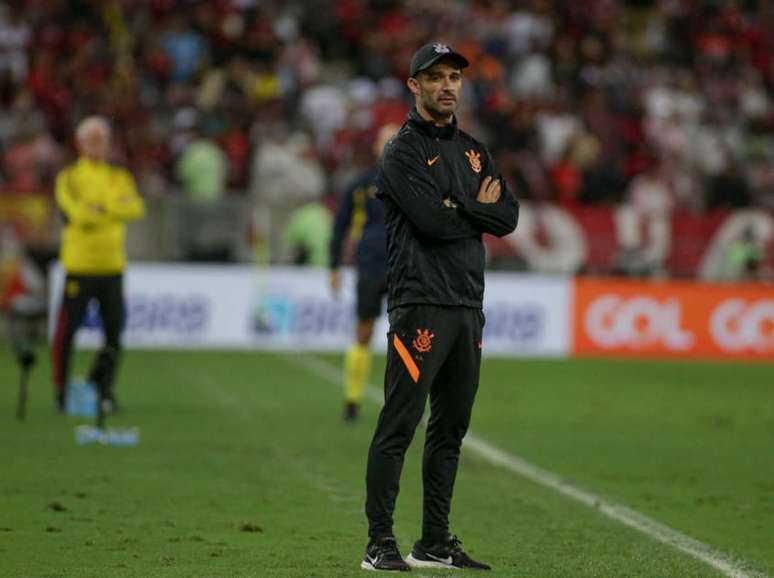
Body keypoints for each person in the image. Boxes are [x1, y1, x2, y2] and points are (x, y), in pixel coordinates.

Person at [361, 43, 519, 572]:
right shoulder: (402, 150)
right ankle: (378, 542)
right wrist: (479, 209)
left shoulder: (475, 150)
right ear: (415, 86)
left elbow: (510, 216)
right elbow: (431, 222)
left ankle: (432, 542)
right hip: (420, 303)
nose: (447, 85)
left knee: (451, 429)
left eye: (453, 76)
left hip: (467, 304)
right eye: (436, 78)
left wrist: (462, 207)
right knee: (399, 425)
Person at [51, 116, 145, 415]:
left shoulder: (119, 176)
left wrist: (99, 209)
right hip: (79, 266)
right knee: (67, 333)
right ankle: (62, 392)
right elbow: (77, 214)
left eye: (101, 139)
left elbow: (136, 208)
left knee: (115, 332)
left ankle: (103, 389)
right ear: (80, 143)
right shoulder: (69, 178)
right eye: (91, 139)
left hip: (112, 267)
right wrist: (111, 210)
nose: (96, 145)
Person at [329, 123, 398, 423]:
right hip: (370, 265)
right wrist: (334, 266)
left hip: (405, 268)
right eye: (385, 140)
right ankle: (352, 400)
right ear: (376, 146)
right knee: (364, 332)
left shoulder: (418, 182)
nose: (390, 145)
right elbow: (340, 225)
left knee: (408, 339)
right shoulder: (361, 184)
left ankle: (407, 403)